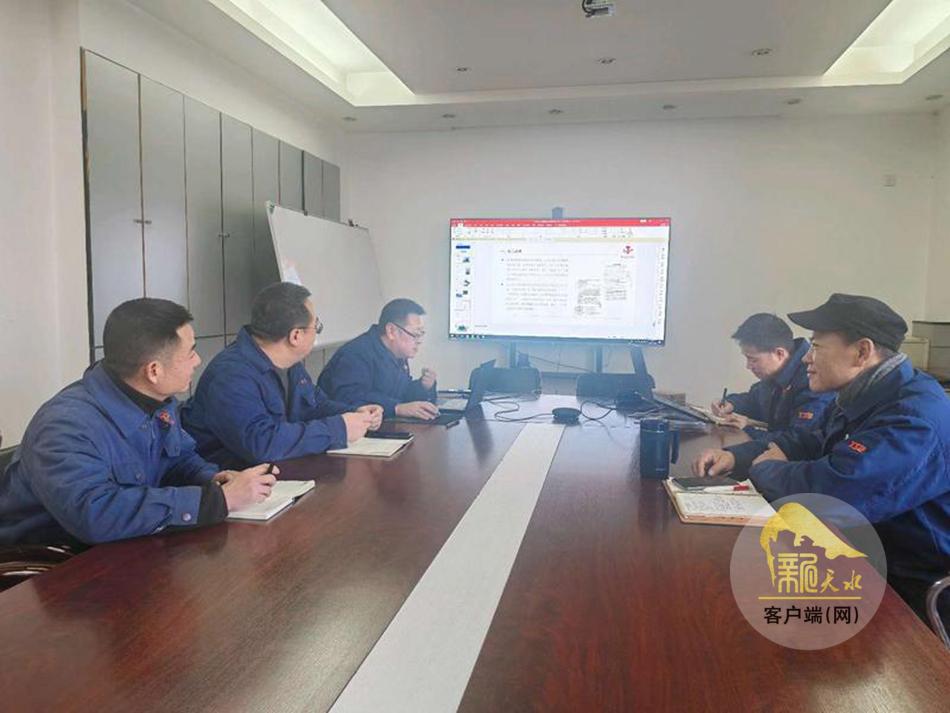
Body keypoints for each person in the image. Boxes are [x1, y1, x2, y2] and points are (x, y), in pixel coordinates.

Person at [692, 294, 950, 628]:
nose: (805, 358)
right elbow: (809, 440)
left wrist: (766, 469)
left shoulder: (913, 418)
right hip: (863, 553)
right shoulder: (862, 395)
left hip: (912, 585)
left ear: (862, 352)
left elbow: (835, 493)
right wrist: (735, 457)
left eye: (816, 346)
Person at [0, 298, 276, 546]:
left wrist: (213, 479)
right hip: (54, 564)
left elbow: (178, 459)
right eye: (190, 352)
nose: (197, 361)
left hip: (127, 543)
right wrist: (216, 501)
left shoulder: (156, 399)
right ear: (153, 370)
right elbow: (96, 515)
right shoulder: (65, 426)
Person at [182, 282, 380, 469]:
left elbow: (315, 405)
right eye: (316, 326)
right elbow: (262, 444)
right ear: (296, 336)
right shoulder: (231, 375)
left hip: (280, 471)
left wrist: (355, 414)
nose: (317, 332)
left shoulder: (290, 363)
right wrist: (339, 429)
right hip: (233, 480)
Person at [711, 313, 833, 440]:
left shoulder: (813, 380)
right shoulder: (775, 375)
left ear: (779, 353)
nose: (748, 366)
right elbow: (755, 400)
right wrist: (731, 403)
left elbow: (796, 441)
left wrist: (747, 430)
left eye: (753, 359)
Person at [318, 298, 440, 420]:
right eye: (416, 334)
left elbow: (401, 393)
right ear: (391, 331)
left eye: (421, 334)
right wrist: (396, 408)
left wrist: (423, 387)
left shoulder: (396, 354)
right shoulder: (357, 353)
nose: (419, 341)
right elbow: (349, 398)